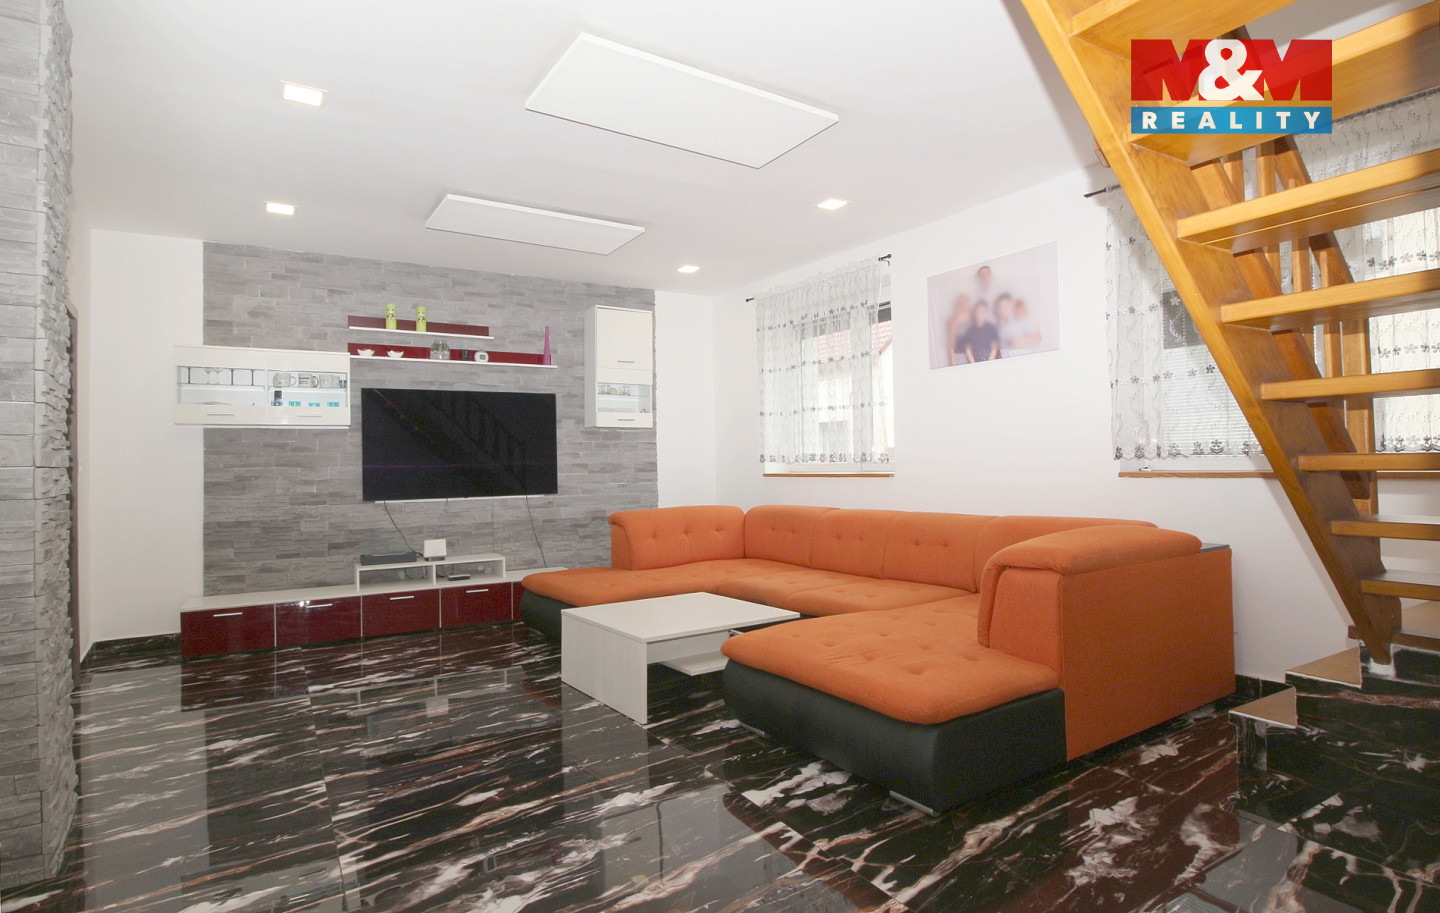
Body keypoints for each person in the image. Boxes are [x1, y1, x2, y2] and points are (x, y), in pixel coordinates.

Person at [946, 293, 973, 366]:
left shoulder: (973, 316)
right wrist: (952, 361)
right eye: (960, 302)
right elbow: (951, 342)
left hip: (975, 354)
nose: (962, 305)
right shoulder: (954, 320)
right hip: (960, 355)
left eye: (965, 302)